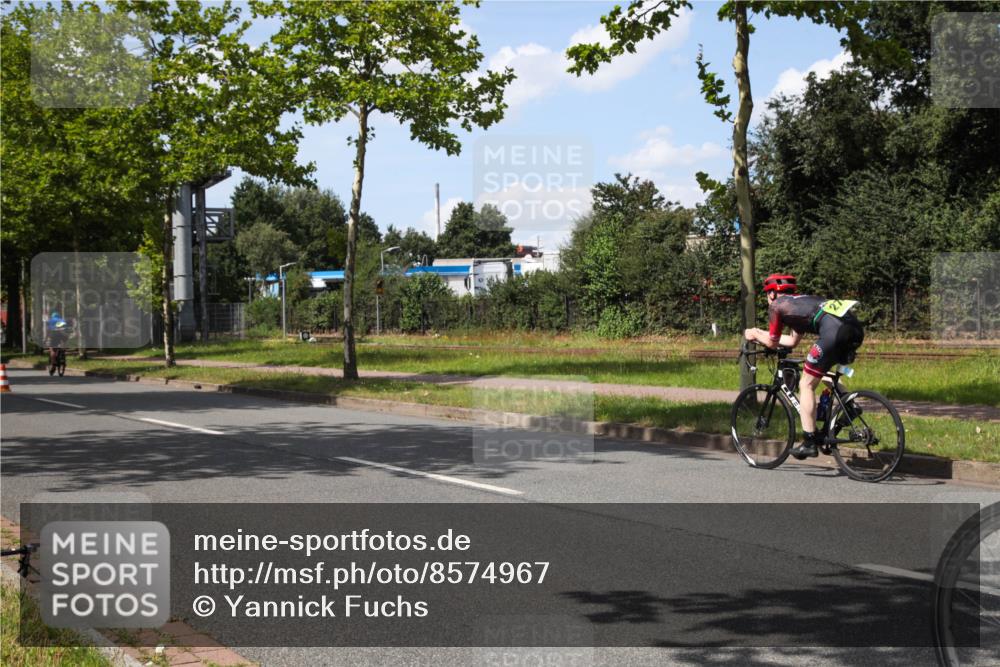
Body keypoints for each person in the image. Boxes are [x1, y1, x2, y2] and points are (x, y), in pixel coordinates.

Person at [743, 274, 864, 459]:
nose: (768, 298)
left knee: (806, 384)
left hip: (833, 334)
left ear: (774, 294)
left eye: (767, 294)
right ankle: (849, 405)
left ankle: (808, 442)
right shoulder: (800, 304)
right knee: (817, 371)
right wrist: (762, 333)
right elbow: (791, 341)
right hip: (854, 330)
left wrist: (753, 333)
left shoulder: (777, 306)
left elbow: (773, 343)